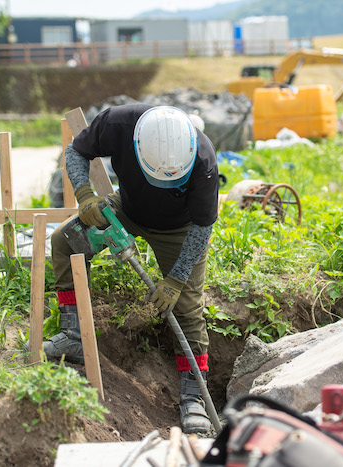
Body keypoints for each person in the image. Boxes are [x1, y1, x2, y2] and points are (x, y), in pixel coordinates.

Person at [43, 104, 219, 435]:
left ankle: (194, 395)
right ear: (137, 147)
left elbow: (202, 227)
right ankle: (73, 334)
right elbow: (76, 151)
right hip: (129, 208)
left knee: (187, 307)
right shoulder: (118, 124)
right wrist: (84, 193)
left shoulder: (203, 160)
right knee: (65, 242)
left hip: (179, 229)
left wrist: (177, 279)